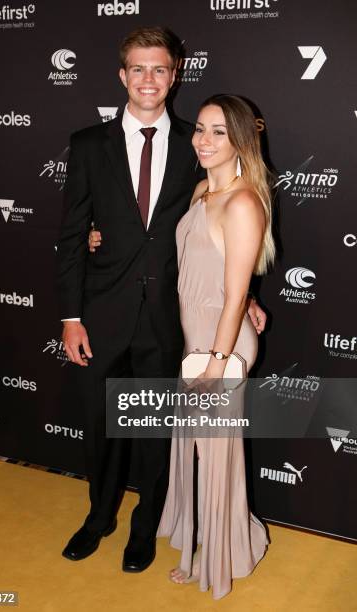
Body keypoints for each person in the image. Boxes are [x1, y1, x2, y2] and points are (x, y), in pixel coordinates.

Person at [56, 27, 266, 574]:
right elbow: (72, 234)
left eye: (161, 69)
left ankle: (145, 528)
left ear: (175, 77)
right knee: (101, 426)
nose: (149, 80)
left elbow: (227, 222)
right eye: (139, 69)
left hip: (168, 321)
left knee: (153, 432)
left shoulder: (196, 144)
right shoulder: (87, 145)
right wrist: (71, 316)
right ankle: (98, 517)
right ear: (123, 75)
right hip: (101, 314)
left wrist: (244, 300)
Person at [156, 94, 275, 599]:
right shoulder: (203, 189)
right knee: (201, 452)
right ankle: (207, 538)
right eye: (200, 129)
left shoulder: (244, 201)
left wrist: (217, 363)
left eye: (218, 132)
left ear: (242, 139)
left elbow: (230, 295)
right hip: (196, 336)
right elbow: (216, 268)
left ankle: (225, 552)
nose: (203, 141)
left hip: (220, 345)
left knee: (214, 454)